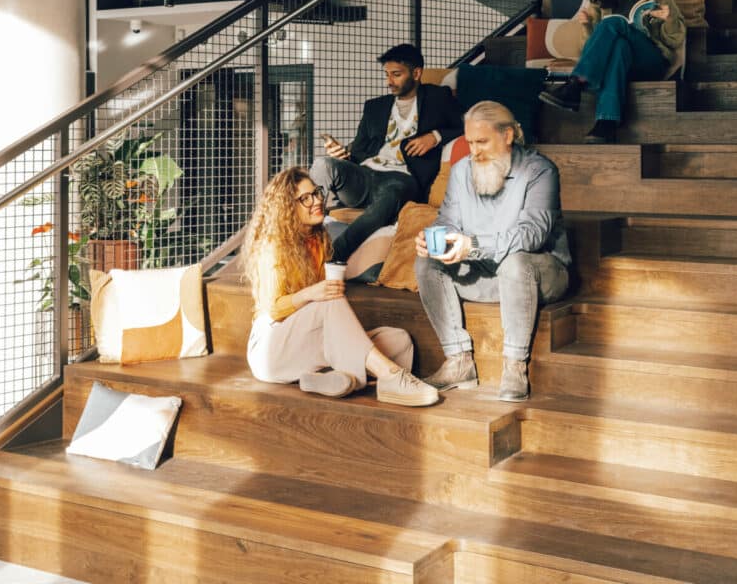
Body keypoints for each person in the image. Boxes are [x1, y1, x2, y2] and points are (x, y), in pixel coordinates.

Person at [414, 101, 571, 402]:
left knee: (515, 263)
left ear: (508, 135)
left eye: (482, 142)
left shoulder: (540, 171)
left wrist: (472, 246)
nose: (474, 151)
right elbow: (448, 220)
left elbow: (532, 235)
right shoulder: (461, 171)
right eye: (470, 142)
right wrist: (435, 239)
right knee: (427, 263)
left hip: (539, 274)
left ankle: (514, 365)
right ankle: (458, 361)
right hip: (486, 273)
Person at [244, 166, 439, 407]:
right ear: (287, 208)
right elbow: (272, 309)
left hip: (306, 340)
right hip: (271, 348)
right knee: (328, 300)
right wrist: (311, 293)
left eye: (316, 193)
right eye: (305, 198)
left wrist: (322, 293)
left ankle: (329, 378)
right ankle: (390, 376)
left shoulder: (318, 240)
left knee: (400, 340)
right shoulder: (272, 247)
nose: (317, 201)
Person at [310, 43, 463, 262]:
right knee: (322, 164)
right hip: (365, 175)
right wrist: (343, 155)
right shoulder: (375, 107)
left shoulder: (439, 97)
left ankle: (330, 256)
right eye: (387, 74)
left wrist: (435, 136)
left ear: (416, 73)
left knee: (392, 193)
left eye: (396, 74)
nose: (389, 81)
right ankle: (303, 238)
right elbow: (359, 150)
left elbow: (466, 126)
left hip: (402, 178)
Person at [540, 0, 686, 144]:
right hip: (622, 62)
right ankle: (606, 123)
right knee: (618, 47)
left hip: (652, 60)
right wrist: (586, 26)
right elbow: (589, 49)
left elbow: (676, 38)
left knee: (613, 22)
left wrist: (668, 19)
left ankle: (576, 84)